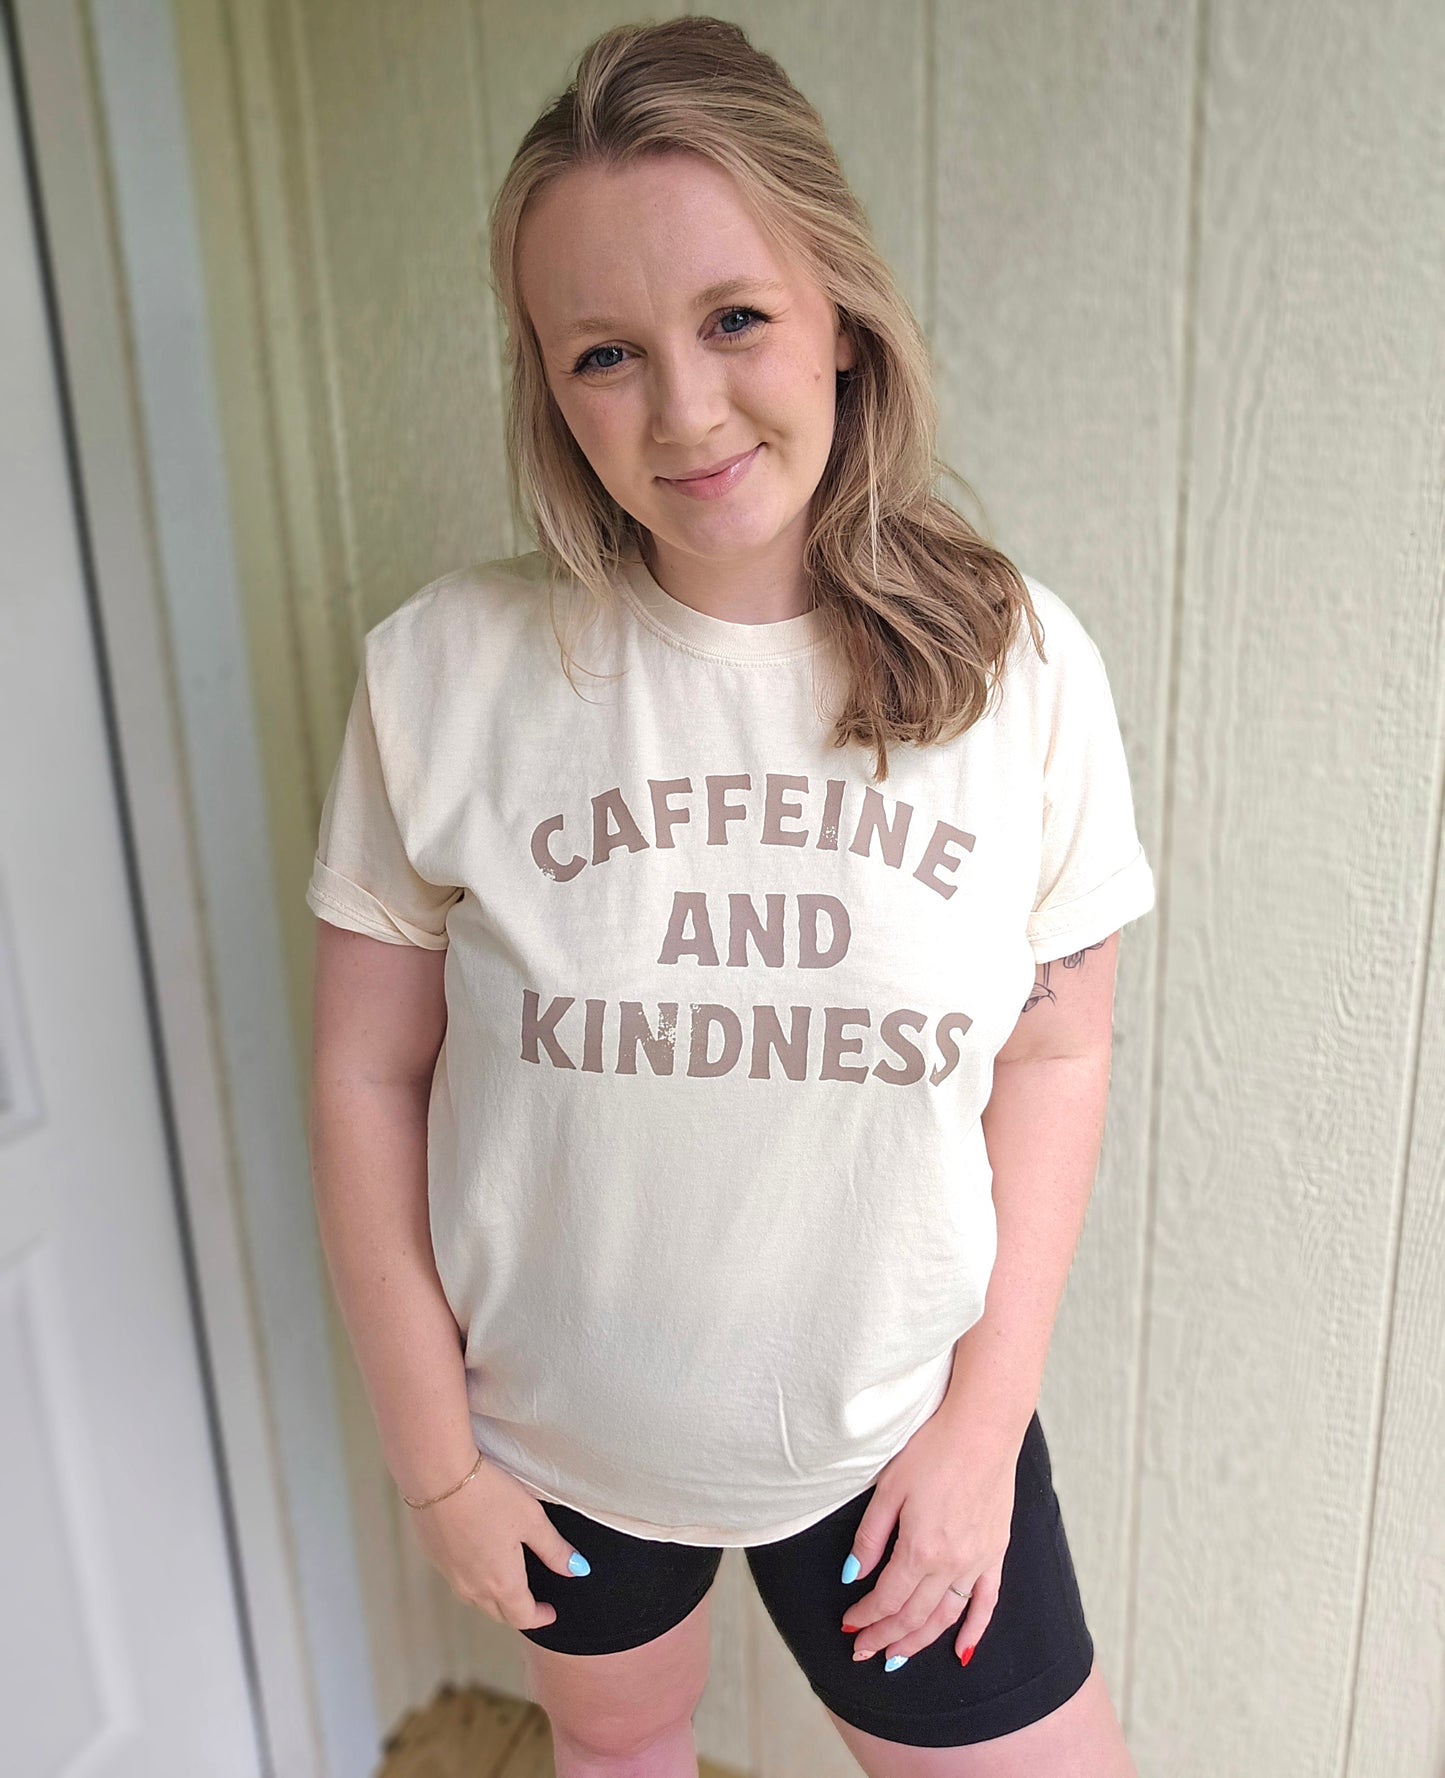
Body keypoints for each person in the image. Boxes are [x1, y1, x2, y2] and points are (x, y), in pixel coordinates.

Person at [306, 17, 1154, 1776]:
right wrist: (438, 1466)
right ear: (548, 383)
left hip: (904, 1445)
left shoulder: (1020, 668)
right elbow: (365, 1075)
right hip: (558, 1456)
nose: (683, 408)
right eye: (604, 352)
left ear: (840, 310)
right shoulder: (445, 676)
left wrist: (981, 1433)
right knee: (625, 1751)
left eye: (735, 318)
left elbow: (1054, 1062)